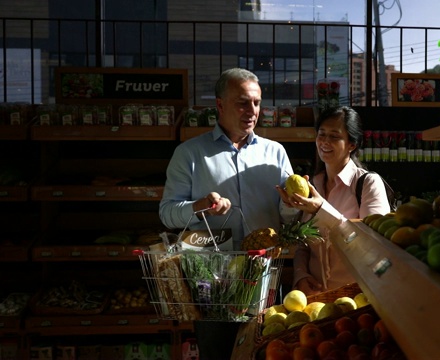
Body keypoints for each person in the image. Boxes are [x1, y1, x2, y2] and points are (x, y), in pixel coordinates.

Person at [159, 67, 297, 360]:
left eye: (257, 103)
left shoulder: (275, 153)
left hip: (264, 280)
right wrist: (198, 208)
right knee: (217, 353)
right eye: (243, 102)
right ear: (220, 104)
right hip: (212, 284)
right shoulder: (190, 154)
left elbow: (288, 218)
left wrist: (294, 203)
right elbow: (168, 213)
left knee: (268, 354)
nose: (252, 110)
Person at [277, 106, 391, 296]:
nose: (325, 142)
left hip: (357, 300)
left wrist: (322, 210)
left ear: (351, 144)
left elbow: (374, 245)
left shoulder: (368, 184)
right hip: (314, 300)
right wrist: (301, 276)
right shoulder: (313, 185)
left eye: (334, 136)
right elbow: (303, 245)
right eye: (321, 134)